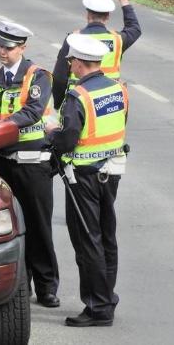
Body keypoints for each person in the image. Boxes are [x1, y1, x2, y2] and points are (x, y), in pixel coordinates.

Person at [0, 20, 61, 308]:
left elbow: (33, 112)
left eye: (9, 47)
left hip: (32, 164)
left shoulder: (37, 77)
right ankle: (18, 286)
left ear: (22, 48)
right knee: (8, 228)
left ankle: (47, 286)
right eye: (0, 46)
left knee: (38, 226)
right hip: (4, 164)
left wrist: (2, 126)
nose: (3, 51)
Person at [47, 34, 129, 327]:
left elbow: (68, 140)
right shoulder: (118, 89)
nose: (69, 65)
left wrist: (51, 133)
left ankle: (97, 307)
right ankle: (108, 297)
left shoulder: (78, 96)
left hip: (84, 176)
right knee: (107, 237)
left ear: (79, 63)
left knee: (88, 241)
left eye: (70, 61)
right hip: (112, 171)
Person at [52, 0, 141, 109]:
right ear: (108, 16)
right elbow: (134, 29)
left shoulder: (74, 39)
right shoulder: (117, 40)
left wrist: (58, 103)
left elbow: (60, 77)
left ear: (87, 15)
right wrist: (124, 0)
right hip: (110, 102)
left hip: (79, 101)